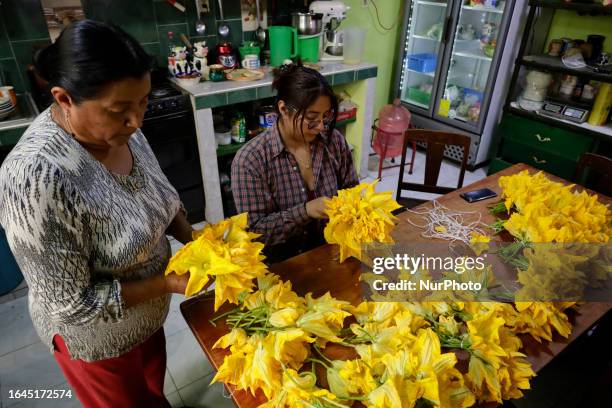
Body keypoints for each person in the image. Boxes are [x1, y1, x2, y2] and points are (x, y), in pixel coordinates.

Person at [0, 21, 194, 407]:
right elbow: (72, 305)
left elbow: (161, 196)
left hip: (148, 320)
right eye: (120, 109)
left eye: (142, 102)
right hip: (99, 341)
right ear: (64, 98)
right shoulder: (35, 176)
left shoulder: (125, 131)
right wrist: (167, 284)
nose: (137, 121)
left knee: (153, 394)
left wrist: (196, 240)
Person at [231, 64, 359, 263]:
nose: (320, 127)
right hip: (282, 266)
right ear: (283, 109)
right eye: (311, 118)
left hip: (333, 252)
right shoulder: (250, 160)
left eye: (326, 116)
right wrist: (306, 211)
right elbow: (254, 232)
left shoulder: (333, 142)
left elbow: (352, 191)